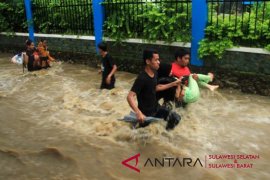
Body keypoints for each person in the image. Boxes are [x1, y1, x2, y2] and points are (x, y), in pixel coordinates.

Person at [127, 49, 181, 130]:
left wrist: (172, 84)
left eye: (158, 59)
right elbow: (130, 97)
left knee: (175, 118)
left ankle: (166, 135)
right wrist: (138, 113)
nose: (159, 62)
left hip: (156, 108)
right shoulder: (142, 78)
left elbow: (156, 87)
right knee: (143, 135)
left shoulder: (155, 73)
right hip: (145, 114)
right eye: (156, 60)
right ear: (148, 61)